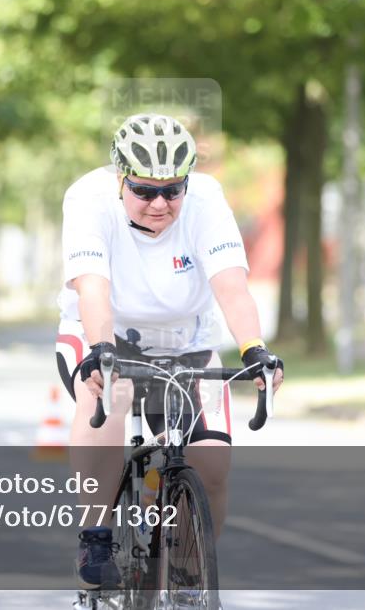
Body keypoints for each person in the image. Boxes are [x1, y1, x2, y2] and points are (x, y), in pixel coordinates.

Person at [54, 113, 285, 590]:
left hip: (189, 342)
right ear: (121, 179)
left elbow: (232, 286)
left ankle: (188, 572)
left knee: (213, 465)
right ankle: (95, 535)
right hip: (105, 332)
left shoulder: (206, 200)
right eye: (143, 191)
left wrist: (254, 349)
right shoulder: (87, 199)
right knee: (110, 395)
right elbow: (92, 288)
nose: (159, 203)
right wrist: (100, 349)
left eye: (172, 190)